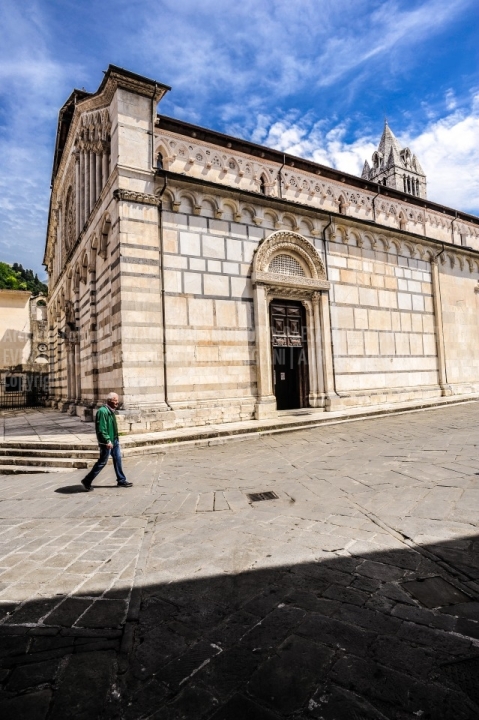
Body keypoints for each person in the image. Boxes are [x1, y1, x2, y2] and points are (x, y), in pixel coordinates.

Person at [81, 392, 132, 491]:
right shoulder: (102, 412)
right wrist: (107, 440)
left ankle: (121, 480)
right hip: (107, 442)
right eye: (115, 400)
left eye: (117, 400)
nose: (117, 402)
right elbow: (101, 429)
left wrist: (115, 438)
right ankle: (87, 480)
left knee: (117, 459)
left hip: (114, 440)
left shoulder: (110, 411)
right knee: (102, 462)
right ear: (110, 401)